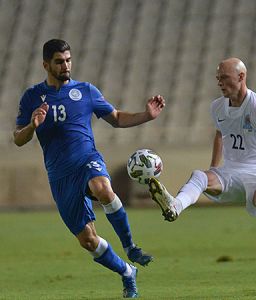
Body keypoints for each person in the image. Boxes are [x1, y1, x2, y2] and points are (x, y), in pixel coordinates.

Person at [13, 39, 165, 298]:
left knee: (102, 188)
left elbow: (116, 118)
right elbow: (18, 139)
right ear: (45, 65)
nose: (66, 66)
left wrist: (146, 115)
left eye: (68, 60)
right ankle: (127, 272)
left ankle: (130, 246)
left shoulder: (86, 91)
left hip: (87, 159)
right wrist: (32, 125)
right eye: (59, 62)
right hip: (59, 175)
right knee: (88, 241)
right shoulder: (31, 97)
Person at [147, 57, 256, 292]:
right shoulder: (217, 107)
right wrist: (214, 167)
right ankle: (174, 206)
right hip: (232, 171)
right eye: (218, 78)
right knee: (200, 176)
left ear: (241, 77)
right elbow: (220, 135)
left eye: (224, 78)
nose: (220, 83)